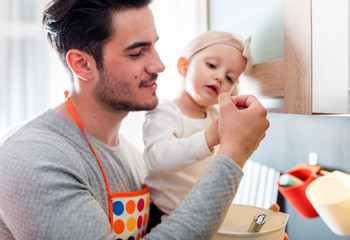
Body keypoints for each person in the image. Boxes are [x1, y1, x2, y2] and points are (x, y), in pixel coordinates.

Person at [0, 0, 270, 239]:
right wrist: (233, 155)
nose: (159, 65)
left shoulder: (133, 155)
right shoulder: (32, 156)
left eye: (153, 46)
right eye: (136, 52)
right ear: (82, 64)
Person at [143, 31, 253, 227]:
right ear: (183, 66)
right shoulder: (165, 111)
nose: (219, 77)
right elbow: (156, 159)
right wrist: (207, 138)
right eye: (212, 65)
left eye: (229, 77)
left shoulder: (215, 117)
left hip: (198, 217)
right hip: (162, 217)